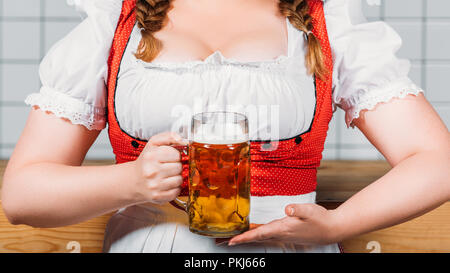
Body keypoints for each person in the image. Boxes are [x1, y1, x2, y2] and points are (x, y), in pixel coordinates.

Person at [1, 0, 449, 253]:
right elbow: (23, 196)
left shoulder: (325, 22)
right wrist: (132, 181)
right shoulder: (116, 23)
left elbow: (438, 161)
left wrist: (338, 225)